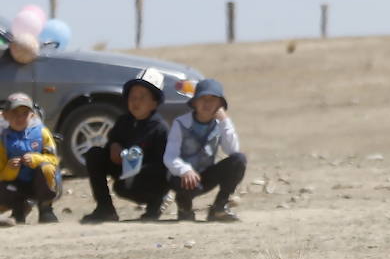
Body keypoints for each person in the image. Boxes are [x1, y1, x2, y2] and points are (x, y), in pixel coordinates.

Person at [80, 68, 171, 223]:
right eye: (132, 97)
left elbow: (164, 166)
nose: (136, 101)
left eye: (142, 97)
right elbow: (113, 142)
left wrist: (135, 167)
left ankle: (155, 205)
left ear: (154, 103)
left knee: (158, 175)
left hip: (146, 180)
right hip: (124, 174)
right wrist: (114, 147)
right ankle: (105, 208)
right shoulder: (123, 121)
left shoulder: (160, 128)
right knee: (95, 154)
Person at [164, 78, 246, 223]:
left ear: (220, 104)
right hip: (183, 178)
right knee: (184, 183)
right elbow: (170, 157)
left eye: (213, 99)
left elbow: (233, 150)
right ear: (195, 103)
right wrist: (185, 170)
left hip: (205, 176)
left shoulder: (220, 124)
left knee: (239, 160)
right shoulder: (181, 123)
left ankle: (219, 206)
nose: (207, 104)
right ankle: (184, 206)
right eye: (203, 99)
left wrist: (225, 121)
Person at [0, 92, 62, 224]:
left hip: (38, 183)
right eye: (14, 113)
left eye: (24, 113)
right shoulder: (3, 139)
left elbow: (54, 159)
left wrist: (36, 159)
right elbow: (1, 174)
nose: (20, 117)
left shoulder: (41, 133)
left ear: (32, 115)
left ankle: (46, 209)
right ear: (5, 116)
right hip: (14, 185)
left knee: (46, 168)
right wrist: (10, 168)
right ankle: (18, 211)